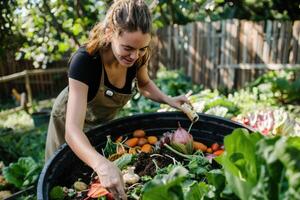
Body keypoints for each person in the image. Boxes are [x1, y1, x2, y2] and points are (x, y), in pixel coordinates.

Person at [45, 0, 190, 199]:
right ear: (109, 32)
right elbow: (73, 132)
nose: (134, 56)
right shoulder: (85, 61)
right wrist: (101, 164)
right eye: (127, 48)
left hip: (102, 121)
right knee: (62, 179)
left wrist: (168, 99)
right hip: (69, 121)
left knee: (92, 181)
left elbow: (145, 84)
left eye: (141, 49)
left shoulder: (137, 54)